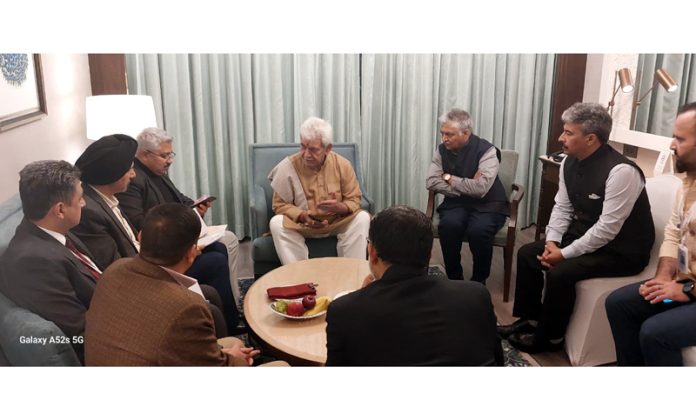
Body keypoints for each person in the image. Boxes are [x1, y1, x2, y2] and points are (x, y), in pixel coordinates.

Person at [499, 102, 655, 353]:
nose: (561, 137)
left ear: (591, 138)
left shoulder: (621, 172)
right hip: (586, 236)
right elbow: (562, 207)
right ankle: (530, 320)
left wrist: (564, 254)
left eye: (568, 133)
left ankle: (551, 338)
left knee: (561, 272)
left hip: (621, 251)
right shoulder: (569, 162)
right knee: (528, 254)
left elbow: (607, 229)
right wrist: (552, 242)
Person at [71, 133, 231, 336]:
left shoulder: (105, 199)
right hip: (142, 277)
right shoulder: (89, 212)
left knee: (217, 254)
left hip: (144, 259)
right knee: (214, 272)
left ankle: (231, 338)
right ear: (111, 174)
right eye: (128, 169)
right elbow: (115, 266)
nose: (133, 174)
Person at [85, 203, 260, 366]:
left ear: (140, 236)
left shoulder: (114, 270)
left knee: (233, 343)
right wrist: (236, 360)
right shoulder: (187, 306)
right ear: (193, 253)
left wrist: (222, 354)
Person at [325, 205, 502, 366]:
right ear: (429, 254)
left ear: (372, 252)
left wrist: (360, 301)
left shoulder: (343, 312)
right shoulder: (477, 295)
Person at [116, 127, 241, 330]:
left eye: (170, 154)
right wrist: (186, 220)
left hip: (179, 237)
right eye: (165, 155)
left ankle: (231, 314)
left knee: (219, 249)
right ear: (144, 154)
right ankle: (229, 325)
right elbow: (141, 222)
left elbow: (179, 199)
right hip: (164, 251)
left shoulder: (158, 170)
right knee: (217, 259)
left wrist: (195, 205)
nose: (170, 160)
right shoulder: (134, 180)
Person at [606, 102, 696, 366]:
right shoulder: (688, 184)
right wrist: (664, 277)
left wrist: (689, 291)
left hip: (690, 291)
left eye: (680, 138)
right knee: (620, 303)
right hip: (683, 286)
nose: (671, 145)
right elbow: (672, 233)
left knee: (655, 333)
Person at [0, 160, 98, 362]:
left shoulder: (52, 229)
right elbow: (80, 333)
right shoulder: (33, 263)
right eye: (80, 198)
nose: (84, 203)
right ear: (60, 210)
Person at [267, 116, 370, 264]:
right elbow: (279, 205)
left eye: (313, 149)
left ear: (328, 148)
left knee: (362, 218)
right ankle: (300, 277)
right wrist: (302, 216)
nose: (306, 154)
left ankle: (351, 273)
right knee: (276, 223)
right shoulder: (288, 167)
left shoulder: (343, 165)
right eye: (303, 147)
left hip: (337, 222)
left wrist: (341, 207)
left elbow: (354, 199)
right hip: (303, 225)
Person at [426, 108, 508, 283]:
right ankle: (454, 278)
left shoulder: (487, 151)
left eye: (449, 134)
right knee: (448, 226)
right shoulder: (441, 150)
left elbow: (481, 189)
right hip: (457, 203)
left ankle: (479, 281)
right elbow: (431, 181)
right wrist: (466, 185)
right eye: (442, 133)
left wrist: (448, 177)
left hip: (488, 204)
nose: (444, 139)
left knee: (479, 231)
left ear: (466, 133)